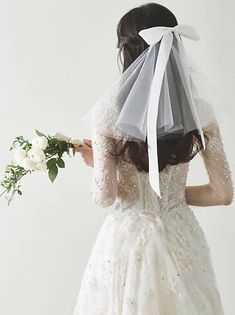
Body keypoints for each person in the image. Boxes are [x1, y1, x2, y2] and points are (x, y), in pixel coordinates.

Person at [73, 3, 233, 314]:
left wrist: (100, 165)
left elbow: (104, 197)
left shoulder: (107, 113)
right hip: (181, 235)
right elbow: (223, 193)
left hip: (127, 242)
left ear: (127, 52)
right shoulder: (200, 112)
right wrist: (169, 197)